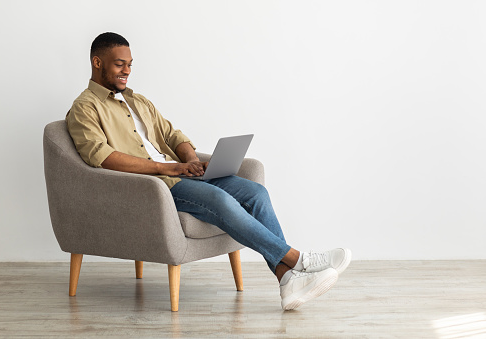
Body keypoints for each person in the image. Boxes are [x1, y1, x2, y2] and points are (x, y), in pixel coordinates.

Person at [66, 32, 352, 310]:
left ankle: (286, 279)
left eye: (130, 64)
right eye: (120, 64)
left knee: (255, 191)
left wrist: (191, 160)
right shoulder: (84, 108)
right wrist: (169, 167)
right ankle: (298, 259)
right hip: (154, 186)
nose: (127, 70)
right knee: (221, 200)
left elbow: (173, 134)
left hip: (180, 173)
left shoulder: (137, 100)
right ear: (97, 62)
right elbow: (101, 157)